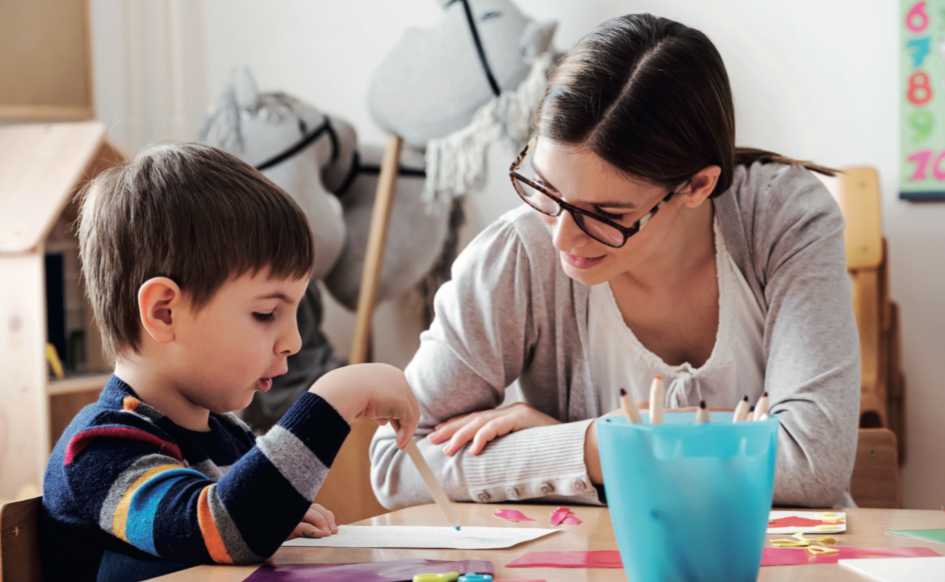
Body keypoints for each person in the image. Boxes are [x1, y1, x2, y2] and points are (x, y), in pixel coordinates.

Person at [371, 13, 859, 510]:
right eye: (545, 188)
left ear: (697, 186)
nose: (562, 236)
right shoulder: (519, 251)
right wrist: (587, 448)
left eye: (606, 213)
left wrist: (601, 445)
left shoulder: (779, 217)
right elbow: (397, 461)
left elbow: (811, 462)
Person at [42, 143, 420, 581]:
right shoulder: (100, 448)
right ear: (164, 312)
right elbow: (225, 528)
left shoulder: (225, 434)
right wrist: (335, 397)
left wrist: (272, 514)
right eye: (266, 313)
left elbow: (237, 527)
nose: (293, 341)